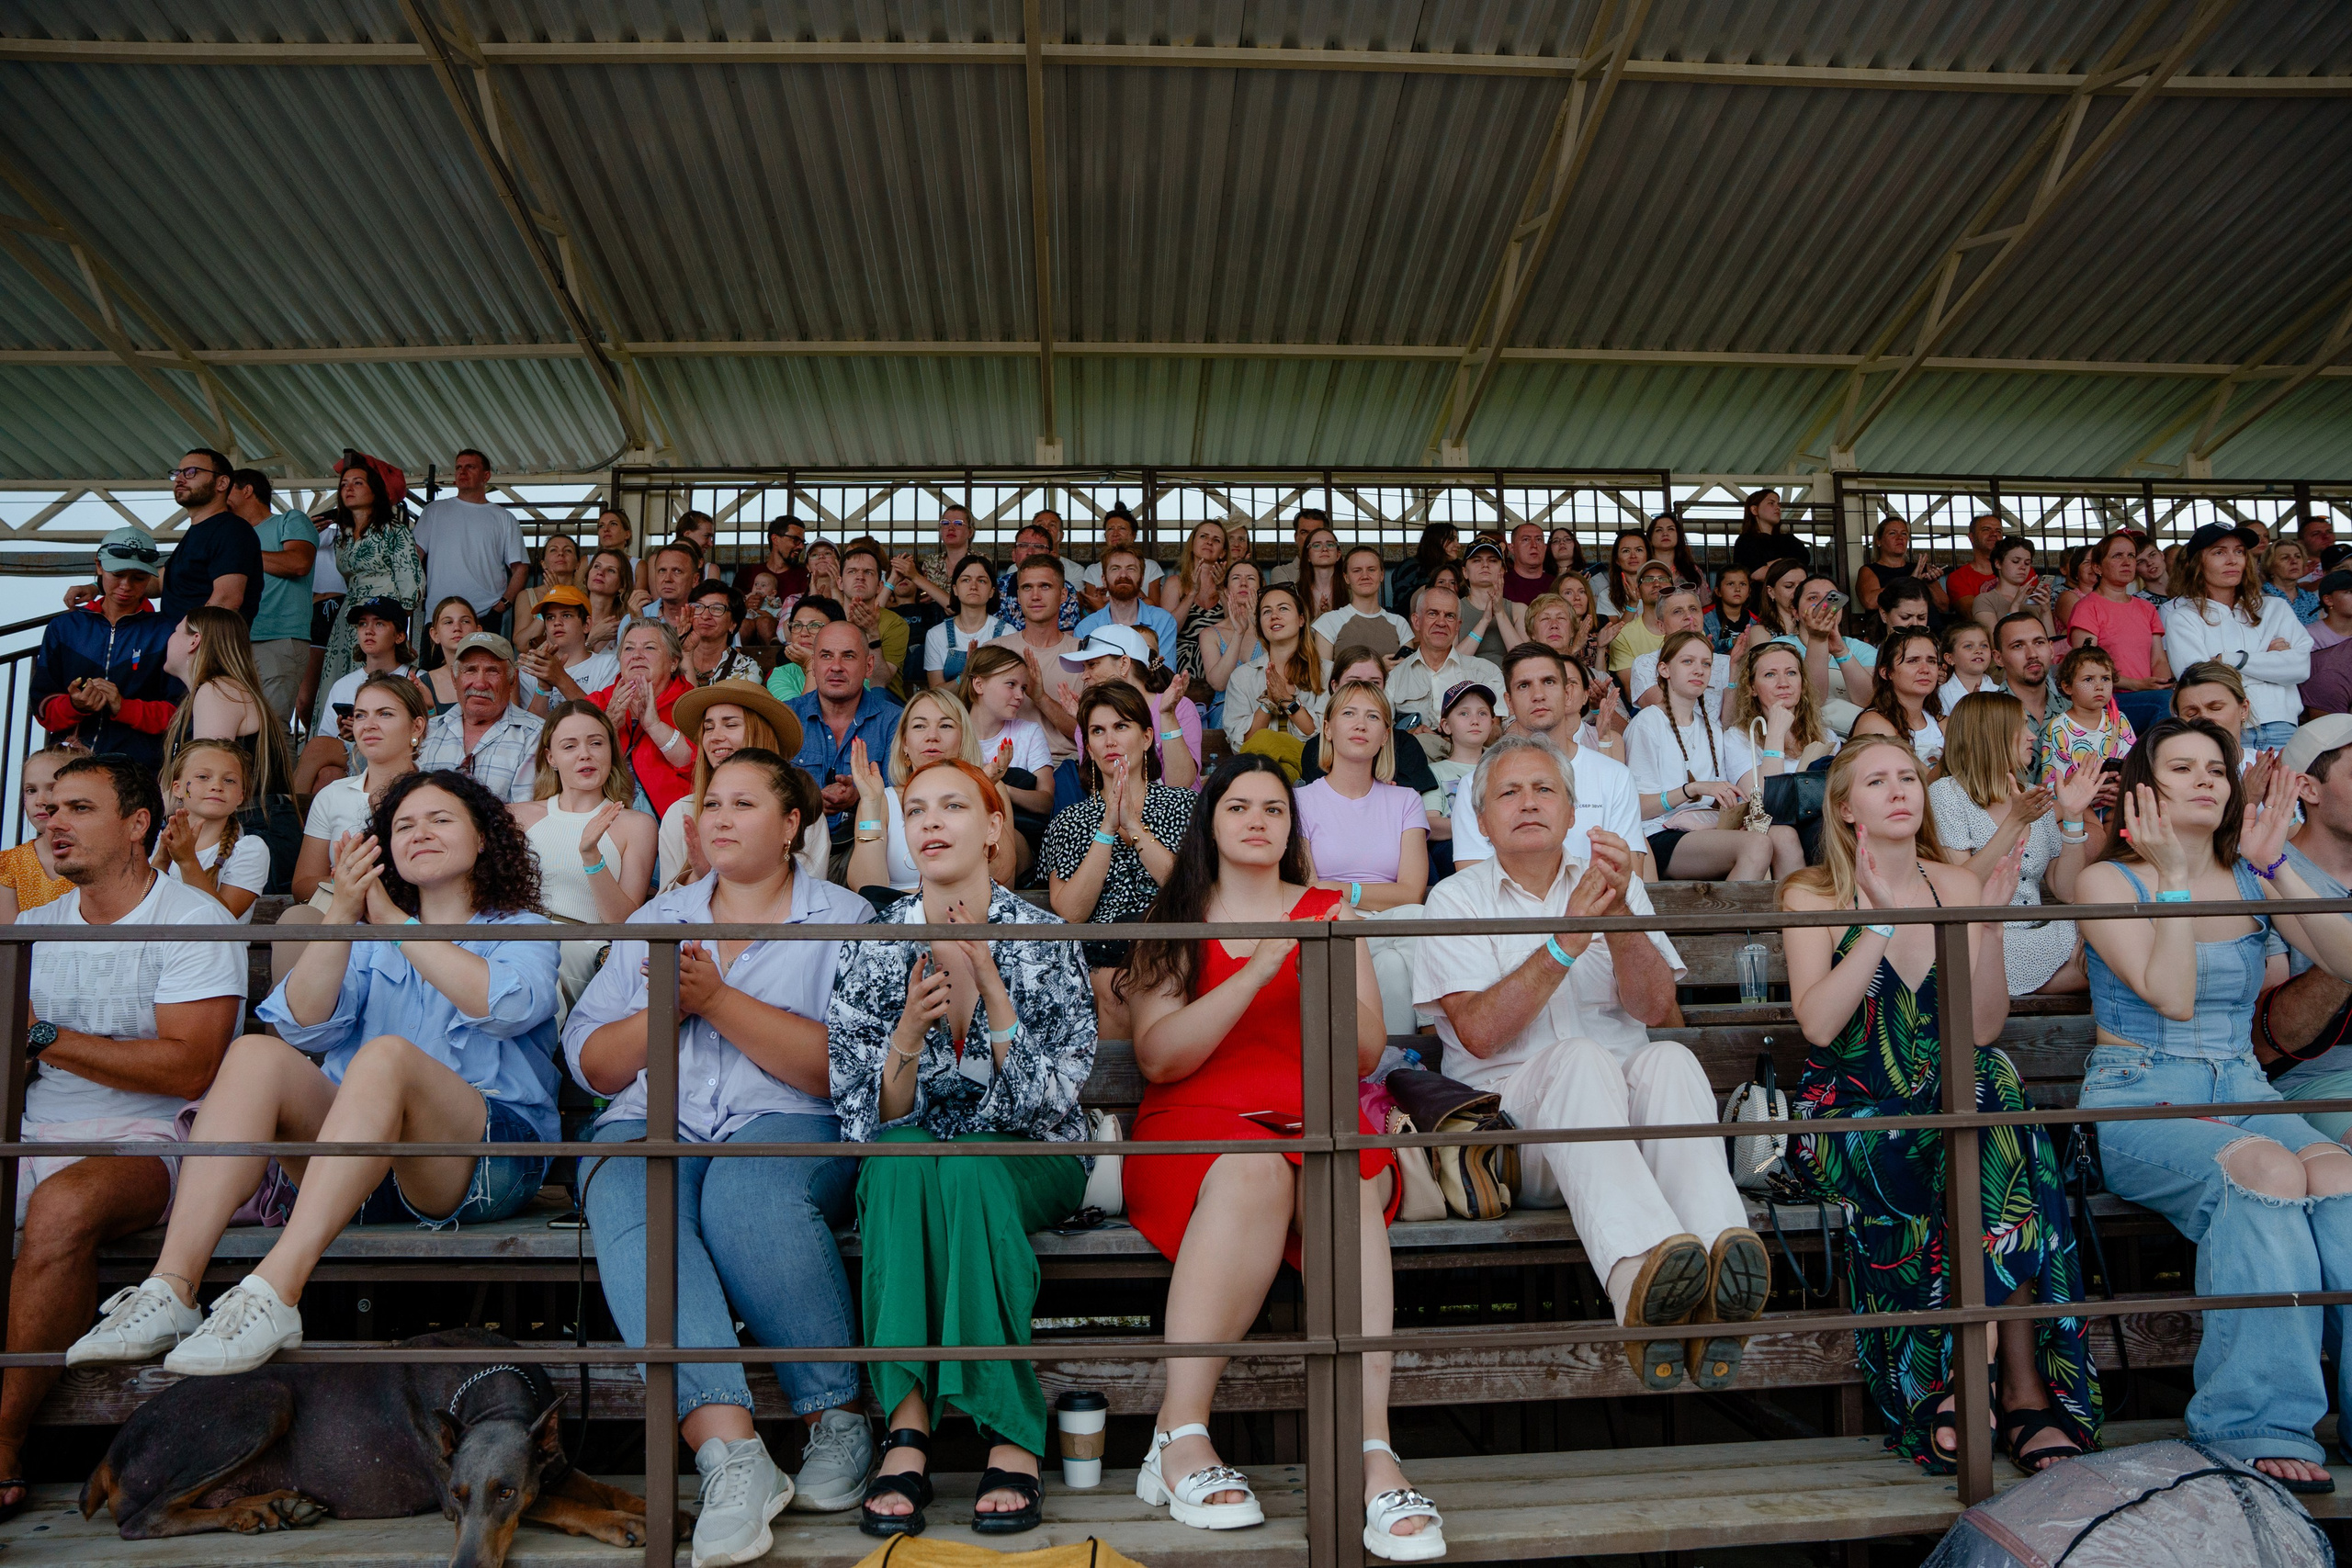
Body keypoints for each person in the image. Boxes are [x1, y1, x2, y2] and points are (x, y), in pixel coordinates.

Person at [68, 770, 560, 1379]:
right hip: (351, 1167)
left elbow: (507, 1006)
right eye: (403, 824)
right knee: (254, 1054)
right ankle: (171, 1289)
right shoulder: (364, 935)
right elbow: (302, 1026)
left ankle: (276, 1289)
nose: (419, 832)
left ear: (484, 838)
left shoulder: (524, 929)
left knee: (387, 1055)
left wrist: (397, 927)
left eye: (440, 819)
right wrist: (344, 915)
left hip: (481, 1161)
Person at [1122, 756, 1442, 1559]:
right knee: (1251, 1166)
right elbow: (1160, 1057)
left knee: (1350, 1175)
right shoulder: (1176, 913)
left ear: (1291, 829)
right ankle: (1183, 1433)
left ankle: (1373, 1451)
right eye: (1238, 806)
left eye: (1273, 807)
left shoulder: (1331, 911)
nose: (1258, 818)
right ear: (1212, 823)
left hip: (1313, 1126)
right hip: (1195, 1129)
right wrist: (1260, 965)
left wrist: (1316, 960)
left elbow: (1366, 1049)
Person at [568, 750, 877, 1557]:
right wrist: (669, 1008)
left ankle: (835, 1416)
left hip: (789, 1121)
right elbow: (597, 1064)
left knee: (745, 1193)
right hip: (648, 1119)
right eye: (712, 805)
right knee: (634, 1190)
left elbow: (844, 1068)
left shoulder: (844, 919)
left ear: (791, 825)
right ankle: (733, 1454)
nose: (723, 817)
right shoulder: (653, 922)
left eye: (745, 802)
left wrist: (719, 1001)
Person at [1781, 736, 2097, 1474]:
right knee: (2000, 1123)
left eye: (1909, 778)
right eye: (1877, 781)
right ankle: (2021, 1391)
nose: (1900, 790)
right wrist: (1882, 923)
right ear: (1844, 805)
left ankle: (1973, 1378)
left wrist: (1984, 924)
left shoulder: (1955, 884)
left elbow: (1981, 1026)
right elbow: (1820, 1025)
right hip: (1856, 1114)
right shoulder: (1812, 892)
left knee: (1993, 1082)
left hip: (1956, 1103)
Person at [1416, 735, 1763, 1386]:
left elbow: (1658, 1007)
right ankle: (1637, 1275)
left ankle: (1720, 1270)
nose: (1528, 803)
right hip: (1525, 1140)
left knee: (1671, 1065)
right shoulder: (1454, 900)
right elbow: (1480, 1034)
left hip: (1628, 1128)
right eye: (1508, 792)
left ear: (1572, 814)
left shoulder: (1616, 887)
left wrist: (1618, 918)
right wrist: (1568, 939)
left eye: (1544, 789)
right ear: (1483, 819)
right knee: (1580, 1059)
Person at [2074, 716, 2352, 1489]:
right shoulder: (2108, 880)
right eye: (2182, 767)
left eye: (2217, 769)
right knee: (2267, 1168)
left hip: (2246, 1090)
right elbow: (2172, 995)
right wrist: (2171, 878)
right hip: (2143, 1095)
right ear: (2145, 790)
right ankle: (2253, 1421)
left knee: (2342, 1179)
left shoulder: (2252, 871)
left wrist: (2276, 868)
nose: (2206, 778)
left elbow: (2347, 960)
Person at [827, 760, 1099, 1539]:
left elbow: (1056, 1102)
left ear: (991, 826)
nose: (933, 821)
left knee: (970, 1162)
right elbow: (862, 1113)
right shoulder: (875, 942)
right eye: (916, 809)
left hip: (1027, 1154)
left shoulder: (1044, 938)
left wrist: (998, 996)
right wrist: (907, 1037)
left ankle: (1011, 1429)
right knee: (909, 1159)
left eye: (953, 805)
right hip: (917, 1155)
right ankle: (908, 1427)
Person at [0, 755, 244, 1519]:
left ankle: (5, 1436)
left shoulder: (190, 918)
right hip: (36, 1126)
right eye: (49, 809)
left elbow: (189, 1066)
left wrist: (42, 1034)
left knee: (64, 1206)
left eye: (78, 807)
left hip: (153, 1140)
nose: (53, 820)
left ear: (138, 825)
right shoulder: (30, 929)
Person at [1043, 681, 1196, 1033]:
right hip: (1103, 953)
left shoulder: (1185, 806)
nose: (1109, 740)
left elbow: (1191, 889)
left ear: (1146, 738)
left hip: (1171, 942)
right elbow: (1072, 913)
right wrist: (1107, 828)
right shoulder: (1071, 820)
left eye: (1121, 726)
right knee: (1113, 981)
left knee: (1145, 971)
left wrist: (1134, 826)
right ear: (1090, 747)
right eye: (1098, 731)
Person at [1929, 692, 2105, 996]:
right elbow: (1963, 889)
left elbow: (2065, 889)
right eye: (2022, 726)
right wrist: (2016, 821)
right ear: (1993, 734)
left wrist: (2074, 817)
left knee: (2109, 935)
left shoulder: (2032, 794)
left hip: (2043, 934)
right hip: (1986, 934)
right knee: (2102, 966)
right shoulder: (1947, 793)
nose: (2032, 736)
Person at [281, 673, 428, 987]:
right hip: (340, 915)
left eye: (385, 714)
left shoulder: (441, 794)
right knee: (294, 921)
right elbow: (303, 884)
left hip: (414, 920)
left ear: (416, 727)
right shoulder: (332, 795)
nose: (368, 725)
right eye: (361, 715)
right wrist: (347, 879)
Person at [1448, 645, 1644, 874]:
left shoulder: (1615, 777)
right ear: (1509, 703)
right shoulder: (1474, 785)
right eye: (1524, 686)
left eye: (1549, 682)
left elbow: (1628, 878)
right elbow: (1474, 885)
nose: (1538, 695)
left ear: (1568, 694)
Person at [511, 702, 656, 1008]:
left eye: (596, 743)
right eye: (570, 746)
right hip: (518, 941)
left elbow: (621, 925)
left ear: (610, 753)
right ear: (551, 757)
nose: (585, 754)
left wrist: (591, 856)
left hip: (584, 952)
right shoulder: (517, 817)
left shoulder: (637, 825)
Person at [1626, 631, 1803, 881]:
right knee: (1756, 845)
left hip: (1704, 828)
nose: (1699, 670)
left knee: (1776, 835)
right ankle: (1729, 920)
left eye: (1706, 663)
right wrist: (1692, 789)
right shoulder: (1647, 723)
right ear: (1664, 669)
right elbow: (1638, 808)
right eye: (1688, 662)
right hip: (1658, 834)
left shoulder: (1708, 726)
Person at [656, 679, 825, 892]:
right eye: (709, 728)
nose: (715, 737)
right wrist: (699, 876)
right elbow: (664, 915)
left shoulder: (801, 809)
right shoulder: (681, 812)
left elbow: (812, 901)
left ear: (761, 733)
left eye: (731, 724)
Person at [848, 686, 1021, 892]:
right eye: (920, 726)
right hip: (898, 921)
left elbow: (1003, 878)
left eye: (946, 726)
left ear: (963, 738)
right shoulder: (881, 799)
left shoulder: (990, 786)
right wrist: (870, 804)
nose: (932, 736)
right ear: (904, 742)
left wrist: (981, 791)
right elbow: (868, 889)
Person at [35, 525, 178, 772]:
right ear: (99, 566)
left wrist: (124, 707)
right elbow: (42, 707)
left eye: (139, 578)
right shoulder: (64, 628)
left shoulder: (167, 632)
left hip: (139, 770)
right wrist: (74, 705)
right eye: (118, 574)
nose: (126, 585)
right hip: (69, 767)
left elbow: (179, 713)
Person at [2165, 523, 2313, 753]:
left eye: (2239, 551)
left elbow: (2300, 668)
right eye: (2219, 552)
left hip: (2282, 726)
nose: (2232, 560)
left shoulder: (2276, 608)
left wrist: (2232, 659)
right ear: (2197, 563)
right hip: (2222, 730)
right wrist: (2270, 662)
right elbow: (2200, 682)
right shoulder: (2182, 618)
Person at [1294, 681, 1430, 910]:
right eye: (1349, 713)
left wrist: (1343, 890)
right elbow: (1308, 890)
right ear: (1327, 729)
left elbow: (1411, 894)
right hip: (1328, 928)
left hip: (1395, 931)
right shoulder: (1299, 801)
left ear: (1385, 736)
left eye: (1373, 717)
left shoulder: (1407, 801)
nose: (1361, 725)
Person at [311, 459, 425, 732]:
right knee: (342, 686)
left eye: (358, 483)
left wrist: (401, 632)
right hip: (351, 616)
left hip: (386, 615)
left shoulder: (394, 531)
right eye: (344, 485)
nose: (348, 489)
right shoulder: (344, 535)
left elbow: (412, 586)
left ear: (375, 491)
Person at [788, 621, 905, 857]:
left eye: (848, 656)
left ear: (869, 666)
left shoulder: (895, 721)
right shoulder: (787, 717)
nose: (836, 667)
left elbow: (903, 800)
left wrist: (859, 797)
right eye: (826, 656)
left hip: (869, 849)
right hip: (794, 851)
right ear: (814, 664)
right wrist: (810, 802)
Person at [224, 468, 319, 722]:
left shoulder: (290, 520)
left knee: (272, 727)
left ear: (247, 490)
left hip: (279, 638)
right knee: (236, 727)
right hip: (235, 642)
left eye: (228, 488)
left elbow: (299, 563)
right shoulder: (230, 535)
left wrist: (240, 556)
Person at [986, 559, 1086, 793]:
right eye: (1027, 588)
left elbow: (1090, 735)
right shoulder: (995, 651)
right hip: (1003, 767)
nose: (1035, 596)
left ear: (1063, 595)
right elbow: (977, 723)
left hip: (1066, 766)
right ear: (1018, 596)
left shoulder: (1085, 654)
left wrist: (1040, 698)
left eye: (1045, 586)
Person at [1059, 625, 1202, 788]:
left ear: (1124, 664)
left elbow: (1180, 785)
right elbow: (1098, 788)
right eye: (1084, 667)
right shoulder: (1092, 723)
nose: (1084, 676)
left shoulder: (1179, 708)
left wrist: (1167, 715)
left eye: (1092, 664)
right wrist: (1086, 725)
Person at [2066, 531, 2175, 737]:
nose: (2127, 562)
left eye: (2131, 556)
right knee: (2165, 702)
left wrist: (2160, 685)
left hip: (2146, 696)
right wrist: (2138, 685)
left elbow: (2159, 659)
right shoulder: (2087, 607)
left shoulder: (2147, 608)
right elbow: (2086, 668)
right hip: (2106, 699)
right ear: (2097, 567)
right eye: (2117, 556)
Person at [416, 632, 545, 804]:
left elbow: (527, 813)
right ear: (455, 680)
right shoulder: (429, 732)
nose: (480, 683)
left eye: (492, 671)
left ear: (513, 680)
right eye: (470, 670)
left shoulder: (534, 734)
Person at [153, 740, 269, 921]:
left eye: (229, 780)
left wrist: (187, 861)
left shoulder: (249, 850)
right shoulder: (151, 842)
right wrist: (161, 861)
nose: (217, 786)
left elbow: (221, 921)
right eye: (203, 777)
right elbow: (135, 912)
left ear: (241, 796)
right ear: (178, 788)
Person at [411, 450, 528, 628]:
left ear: (486, 475)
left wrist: (503, 605)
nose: (462, 471)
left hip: (485, 614)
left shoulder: (504, 517)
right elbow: (415, 555)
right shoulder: (434, 511)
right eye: (458, 467)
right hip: (439, 614)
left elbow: (520, 568)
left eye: (470, 467)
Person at [594, 621, 698, 818]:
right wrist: (609, 724)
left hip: (673, 823)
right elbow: (575, 759)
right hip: (604, 817)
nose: (637, 655)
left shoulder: (691, 705)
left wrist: (654, 726)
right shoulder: (598, 703)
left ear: (674, 662)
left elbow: (698, 765)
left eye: (649, 647)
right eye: (629, 648)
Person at [1223, 583, 1326, 776]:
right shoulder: (1242, 676)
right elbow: (1242, 745)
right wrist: (1268, 704)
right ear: (1261, 625)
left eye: (1283, 608)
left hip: (1312, 765)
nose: (1274, 616)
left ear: (1301, 619)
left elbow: (1321, 736)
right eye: (1266, 611)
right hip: (1264, 771)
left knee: (1265, 742)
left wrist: (1286, 700)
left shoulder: (1326, 671)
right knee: (1270, 757)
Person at [157, 448, 262, 626]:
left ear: (221, 483)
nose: (179, 479)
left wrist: (189, 639)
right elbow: (159, 581)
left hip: (204, 649)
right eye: (178, 473)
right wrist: (103, 584)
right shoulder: (196, 532)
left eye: (191, 472)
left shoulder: (232, 530)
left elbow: (226, 600)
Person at [1384, 585, 1503, 739]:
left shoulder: (1485, 672)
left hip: (1471, 759)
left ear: (1457, 626)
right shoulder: (1395, 677)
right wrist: (1410, 735)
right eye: (1432, 613)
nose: (1441, 622)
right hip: (1417, 758)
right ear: (1416, 621)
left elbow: (1496, 734)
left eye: (1450, 616)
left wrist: (1457, 732)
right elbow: (1383, 734)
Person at [958, 647, 1057, 824]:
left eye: (1023, 688)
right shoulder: (951, 732)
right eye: (1011, 684)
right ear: (979, 684)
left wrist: (1000, 787)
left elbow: (1046, 802)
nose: (1020, 696)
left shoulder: (1029, 732)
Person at [1849, 628, 1949, 771]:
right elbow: (1921, 779)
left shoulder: (1944, 724)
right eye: (1913, 661)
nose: (1925, 669)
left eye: (1931, 661)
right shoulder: (1873, 722)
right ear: (1886, 672)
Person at [0, 747, 77, 923]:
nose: (40, 800)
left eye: (52, 788)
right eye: (31, 790)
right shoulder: (10, 864)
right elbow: (8, 944)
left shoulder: (97, 857)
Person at [518, 586, 620, 715]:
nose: (557, 623)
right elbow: (530, 731)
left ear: (586, 625)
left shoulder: (610, 665)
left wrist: (560, 679)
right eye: (550, 617)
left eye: (566, 615)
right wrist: (543, 689)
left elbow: (605, 722)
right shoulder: (529, 672)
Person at [2043, 643, 2134, 781]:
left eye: (2105, 678)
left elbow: (2134, 765)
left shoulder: (2119, 720)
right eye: (2088, 679)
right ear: (2068, 687)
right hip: (2080, 801)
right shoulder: (2059, 728)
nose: (2099, 686)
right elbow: (2057, 783)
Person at [926, 555, 1016, 688]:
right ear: (955, 589)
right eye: (966, 580)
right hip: (951, 708)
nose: (973, 586)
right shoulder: (936, 634)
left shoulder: (1007, 633)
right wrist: (966, 675)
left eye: (982, 581)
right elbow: (936, 691)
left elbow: (1011, 686)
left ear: (992, 591)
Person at [1992, 611, 2061, 781]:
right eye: (2018, 646)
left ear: (2051, 649)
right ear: (1998, 658)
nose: (2032, 654)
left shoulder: (2074, 711)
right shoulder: (1987, 716)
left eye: (2039, 642)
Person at [1313, 546, 1411, 663]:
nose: (1365, 576)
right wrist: (1378, 668)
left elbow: (1409, 676)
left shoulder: (1399, 623)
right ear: (1346, 578)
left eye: (1371, 569)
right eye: (1357, 570)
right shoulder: (1328, 622)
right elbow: (1323, 677)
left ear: (1382, 575)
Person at [1077, 544, 1182, 653]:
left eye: (1131, 569)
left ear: (1141, 580)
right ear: (1104, 580)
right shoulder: (1086, 628)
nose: (1123, 575)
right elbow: (1086, 670)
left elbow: (1165, 669)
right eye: (1115, 569)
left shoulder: (1163, 621)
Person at [1193, 560, 1262, 714]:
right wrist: (1238, 634)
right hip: (1226, 710)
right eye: (1236, 578)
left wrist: (1259, 627)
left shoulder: (1270, 628)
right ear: (1225, 590)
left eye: (1250, 578)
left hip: (1265, 709)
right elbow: (1219, 684)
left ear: (1260, 589)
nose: (1243, 583)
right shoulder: (1210, 634)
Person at [995, 524, 1083, 634]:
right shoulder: (997, 587)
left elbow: (1067, 637)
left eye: (1039, 547)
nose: (1030, 552)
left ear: (1051, 555)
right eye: (1023, 545)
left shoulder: (1066, 589)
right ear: (1014, 554)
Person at [2171, 660, 2264, 764]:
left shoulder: (2277, 766)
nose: (2204, 718)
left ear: (2244, 709)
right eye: (2191, 714)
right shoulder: (2164, 774)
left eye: (2216, 708)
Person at [888, 504, 977, 613]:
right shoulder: (931, 561)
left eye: (958, 523)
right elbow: (920, 595)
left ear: (970, 532)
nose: (950, 528)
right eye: (945, 523)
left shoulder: (979, 560)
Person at [1855, 517, 1947, 619]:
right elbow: (1870, 602)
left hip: (1929, 630)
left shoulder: (1921, 568)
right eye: (1892, 533)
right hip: (1893, 632)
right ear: (1878, 541)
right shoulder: (1869, 570)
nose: (1900, 538)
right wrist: (1910, 582)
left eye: (1904, 534)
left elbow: (1944, 606)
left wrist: (1930, 584)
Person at [1971, 536, 2058, 637]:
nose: (2023, 567)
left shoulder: (2035, 602)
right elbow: (1995, 643)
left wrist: (2045, 611)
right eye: (2015, 561)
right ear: (1998, 563)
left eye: (2027, 563)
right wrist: (2015, 606)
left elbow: (2052, 643)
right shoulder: (1984, 600)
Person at [683, 581, 763, 687]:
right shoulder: (670, 660)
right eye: (698, 607)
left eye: (717, 608)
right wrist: (686, 653)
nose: (705, 616)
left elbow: (691, 703)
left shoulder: (747, 668)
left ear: (733, 623)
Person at [1080, 506, 1164, 606]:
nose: (1115, 534)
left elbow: (1156, 608)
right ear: (1105, 536)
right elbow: (1090, 609)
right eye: (1110, 529)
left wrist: (1131, 586)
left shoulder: (1151, 567)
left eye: (1122, 528)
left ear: (1133, 535)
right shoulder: (1092, 570)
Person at [1458, 538, 1527, 660]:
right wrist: (1484, 621)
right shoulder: (1454, 608)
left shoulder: (1519, 610)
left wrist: (1500, 613)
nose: (1485, 565)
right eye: (1476, 560)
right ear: (1465, 572)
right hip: (1465, 679)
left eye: (1493, 560)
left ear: (1502, 570)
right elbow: (1451, 664)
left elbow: (1524, 661)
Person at [512, 535, 582, 651]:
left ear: (577, 564)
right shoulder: (526, 595)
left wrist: (559, 594)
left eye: (568, 550)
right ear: (543, 563)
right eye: (553, 550)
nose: (561, 554)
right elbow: (521, 644)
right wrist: (551, 600)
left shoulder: (584, 596)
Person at [1154, 521, 1229, 622]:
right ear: (1192, 544)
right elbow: (1168, 631)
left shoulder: (1230, 585)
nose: (1209, 542)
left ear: (1222, 553)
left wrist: (1221, 591)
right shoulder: (1175, 583)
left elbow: (1239, 628)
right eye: (1203, 536)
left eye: (1216, 540)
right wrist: (1192, 594)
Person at [419, 595, 481, 713]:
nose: (457, 628)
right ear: (435, 635)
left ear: (478, 631)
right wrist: (430, 709)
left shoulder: (498, 675)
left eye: (465, 621)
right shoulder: (424, 683)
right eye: (448, 622)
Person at [1944, 515, 2006, 624]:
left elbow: (2033, 608)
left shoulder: (2022, 569)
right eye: (1986, 529)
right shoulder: (1958, 577)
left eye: (1999, 531)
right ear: (1971, 537)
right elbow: (1973, 614)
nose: (1994, 534)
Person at [733, 515, 808, 604]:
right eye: (795, 540)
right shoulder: (746, 575)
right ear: (775, 539)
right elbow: (731, 611)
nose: (801, 547)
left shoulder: (805, 576)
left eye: (803, 542)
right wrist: (746, 606)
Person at [1732, 488, 1805, 576]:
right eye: (1771, 503)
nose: (1777, 507)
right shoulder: (1745, 541)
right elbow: (1757, 573)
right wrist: (1784, 562)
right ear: (1754, 510)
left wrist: (1768, 565)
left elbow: (1803, 561)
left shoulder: (1789, 540)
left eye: (1779, 504)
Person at [1646, 514, 1704, 605]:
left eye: (1671, 529)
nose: (1665, 533)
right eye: (1659, 530)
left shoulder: (1692, 570)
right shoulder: (1643, 570)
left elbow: (1706, 605)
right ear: (1650, 538)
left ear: (1678, 536)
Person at [1594, 531, 1648, 622]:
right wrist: (1632, 604)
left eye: (1639, 550)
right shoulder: (1607, 596)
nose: (1633, 556)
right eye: (1626, 551)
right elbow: (1614, 634)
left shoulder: (1658, 588)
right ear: (1617, 560)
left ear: (1648, 556)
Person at [2265, 539, 2322, 624]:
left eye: (2298, 556)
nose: (2294, 561)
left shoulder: (2311, 598)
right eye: (2285, 558)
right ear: (2270, 565)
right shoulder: (2261, 597)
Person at [1705, 565, 1759, 652]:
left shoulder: (1757, 622)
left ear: (1749, 592)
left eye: (1743, 584)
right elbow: (1702, 647)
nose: (1737, 589)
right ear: (1718, 591)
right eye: (1730, 584)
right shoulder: (1704, 617)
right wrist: (1731, 642)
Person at [1501, 522, 1555, 605]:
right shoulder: (1500, 585)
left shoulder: (1557, 584)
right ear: (1512, 548)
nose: (1534, 545)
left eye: (1538, 539)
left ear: (1545, 547)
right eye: (1526, 539)